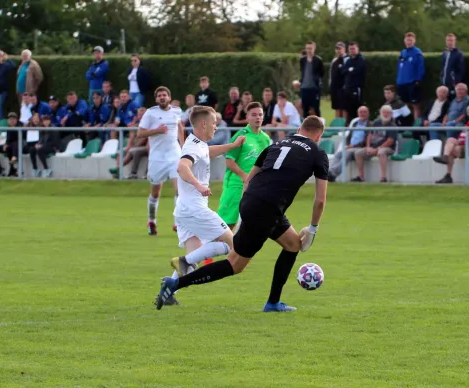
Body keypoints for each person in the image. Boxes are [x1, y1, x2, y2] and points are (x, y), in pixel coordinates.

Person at [155, 115, 329, 312]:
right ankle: (175, 284)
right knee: (235, 264)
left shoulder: (277, 144)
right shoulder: (318, 153)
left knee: (293, 245)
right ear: (318, 136)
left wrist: (250, 206)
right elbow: (320, 200)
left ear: (299, 130)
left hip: (255, 201)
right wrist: (313, 229)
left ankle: (273, 302)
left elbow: (249, 180)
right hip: (268, 208)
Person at [162, 106, 246, 305]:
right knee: (230, 244)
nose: (216, 126)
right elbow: (182, 166)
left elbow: (208, 152)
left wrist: (232, 146)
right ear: (203, 124)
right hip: (194, 209)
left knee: (196, 254)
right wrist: (198, 185)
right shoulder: (192, 147)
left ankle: (168, 292)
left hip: (183, 210)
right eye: (214, 122)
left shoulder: (197, 143)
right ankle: (184, 261)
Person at [136, 86, 184, 236]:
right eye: (159, 96)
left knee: (180, 189)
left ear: (169, 97)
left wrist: (184, 148)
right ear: (156, 99)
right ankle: (152, 221)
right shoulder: (151, 113)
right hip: (157, 158)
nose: (162, 97)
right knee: (156, 192)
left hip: (174, 155)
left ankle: (178, 223)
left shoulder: (177, 111)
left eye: (165, 95)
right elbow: (140, 133)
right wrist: (157, 130)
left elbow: (180, 128)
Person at [218, 102, 271, 230]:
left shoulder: (266, 138)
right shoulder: (241, 135)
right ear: (247, 117)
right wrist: (244, 177)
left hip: (255, 187)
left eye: (260, 115)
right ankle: (207, 246)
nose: (258, 117)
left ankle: (235, 249)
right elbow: (229, 161)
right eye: (254, 115)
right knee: (227, 223)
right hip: (236, 184)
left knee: (248, 224)